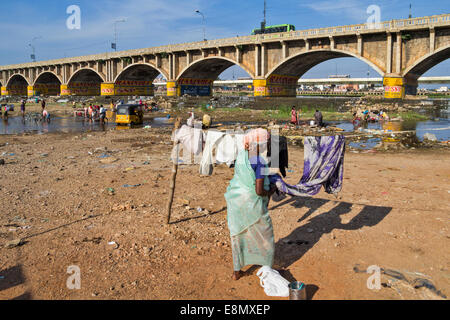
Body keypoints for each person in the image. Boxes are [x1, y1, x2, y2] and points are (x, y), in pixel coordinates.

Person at [224, 128, 277, 281]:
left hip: (236, 199)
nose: (267, 144)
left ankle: (236, 271)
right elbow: (259, 191)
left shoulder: (241, 155)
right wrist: (272, 189)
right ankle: (266, 266)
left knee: (238, 236)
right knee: (265, 234)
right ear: (258, 144)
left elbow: (242, 176)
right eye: (266, 142)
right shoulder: (259, 161)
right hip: (251, 202)